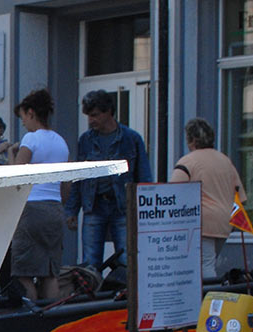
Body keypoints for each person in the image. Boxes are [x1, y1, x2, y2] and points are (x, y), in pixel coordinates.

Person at [65, 89, 152, 270]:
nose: (91, 120)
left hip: (122, 206)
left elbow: (143, 177)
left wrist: (145, 209)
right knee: (90, 262)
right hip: (94, 205)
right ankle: (92, 297)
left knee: (126, 260)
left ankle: (123, 295)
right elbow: (79, 177)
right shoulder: (86, 140)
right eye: (89, 115)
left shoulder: (131, 139)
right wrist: (72, 210)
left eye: (95, 115)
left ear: (108, 112)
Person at [8, 89, 70, 301]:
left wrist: (11, 154)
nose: (23, 122)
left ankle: (30, 316)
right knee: (50, 272)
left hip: (31, 208)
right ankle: (49, 316)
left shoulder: (31, 139)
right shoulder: (61, 142)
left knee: (24, 272)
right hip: (54, 208)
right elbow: (66, 183)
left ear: (31, 112)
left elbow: (16, 176)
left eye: (23, 116)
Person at [170, 118, 244, 282]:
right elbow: (240, 196)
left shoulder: (188, 162)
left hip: (200, 222)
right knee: (208, 262)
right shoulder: (225, 161)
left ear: (191, 140)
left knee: (204, 265)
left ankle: (209, 301)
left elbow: (171, 194)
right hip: (225, 222)